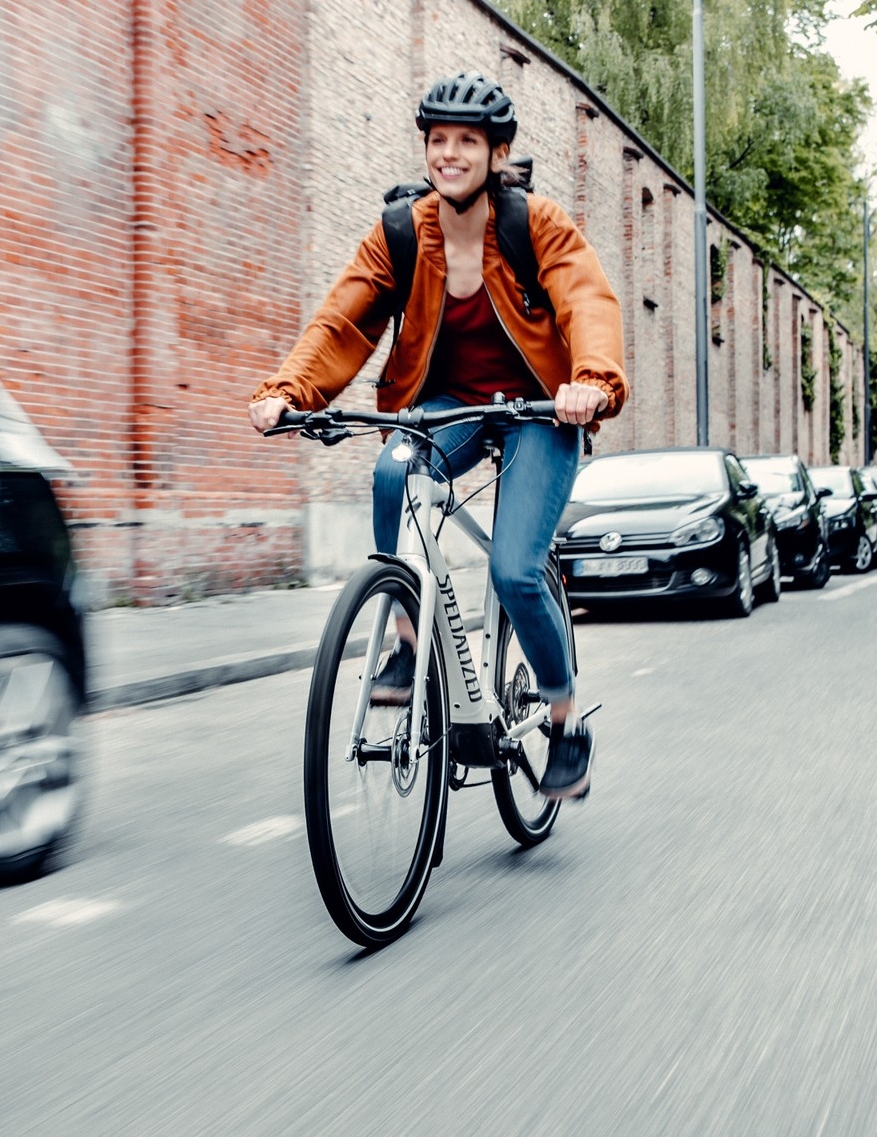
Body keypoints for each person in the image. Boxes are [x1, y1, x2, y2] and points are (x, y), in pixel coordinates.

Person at [247, 71, 627, 799]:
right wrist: (286, 392)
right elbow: (344, 319)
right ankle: (405, 640)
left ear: (497, 152)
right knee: (394, 472)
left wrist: (592, 382)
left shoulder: (534, 224)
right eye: (438, 140)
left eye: (467, 142)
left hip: (541, 411)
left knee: (515, 570)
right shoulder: (400, 232)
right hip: (446, 406)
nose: (450, 154)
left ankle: (564, 716)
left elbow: (587, 301)